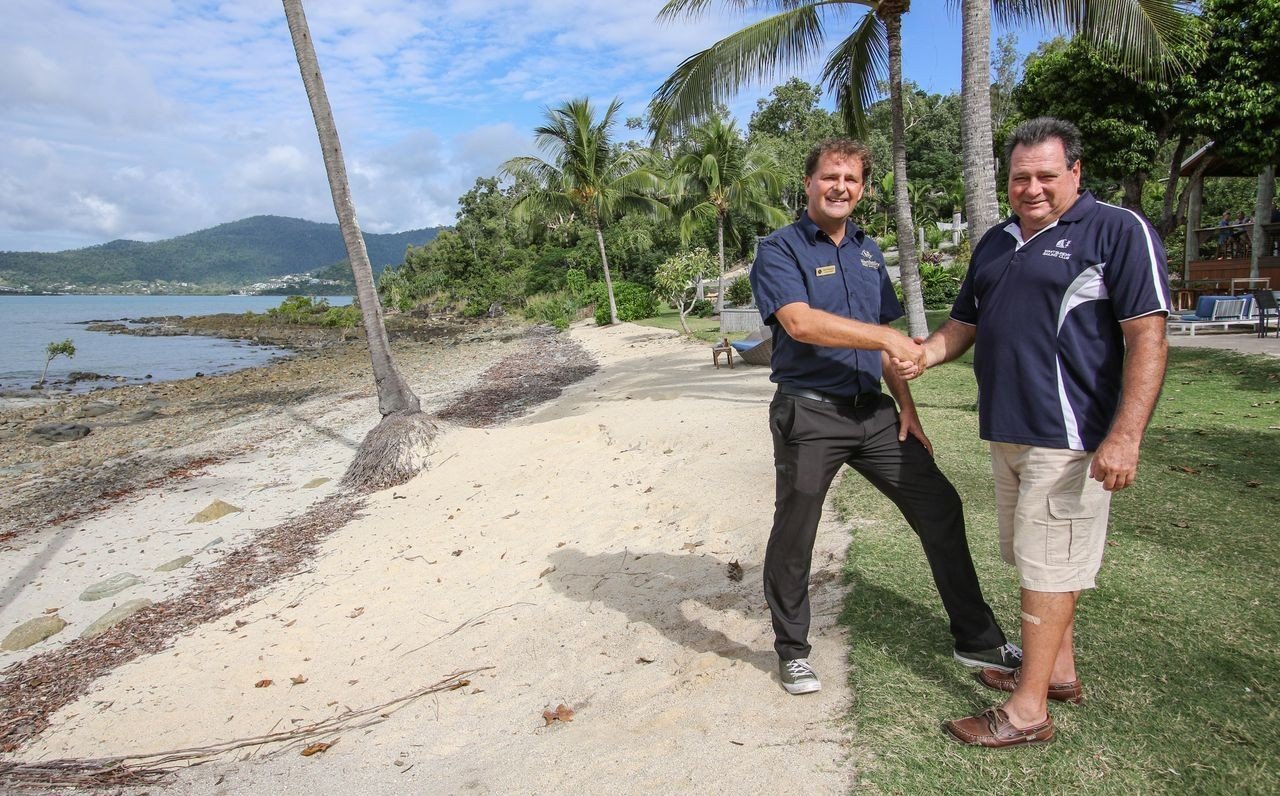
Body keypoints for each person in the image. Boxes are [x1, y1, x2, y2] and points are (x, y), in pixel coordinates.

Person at [907, 117, 1169, 747]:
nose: (1032, 188)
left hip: (1071, 436)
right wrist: (924, 354)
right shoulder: (996, 241)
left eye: (1047, 176)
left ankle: (1027, 714)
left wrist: (1125, 435)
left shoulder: (1115, 230)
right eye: (1020, 177)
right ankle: (1057, 673)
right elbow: (963, 322)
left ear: (1075, 172)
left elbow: (1147, 336)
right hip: (1008, 430)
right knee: (1034, 558)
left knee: (1048, 567)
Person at [749, 138, 1020, 697]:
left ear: (862, 188)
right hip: (810, 414)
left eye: (850, 179)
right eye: (830, 177)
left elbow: (886, 352)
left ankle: (975, 637)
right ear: (809, 183)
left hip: (873, 415)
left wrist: (909, 409)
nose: (840, 187)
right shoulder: (778, 249)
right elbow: (800, 323)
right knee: (796, 533)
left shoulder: (870, 254)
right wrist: (888, 336)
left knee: (939, 504)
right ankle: (793, 650)